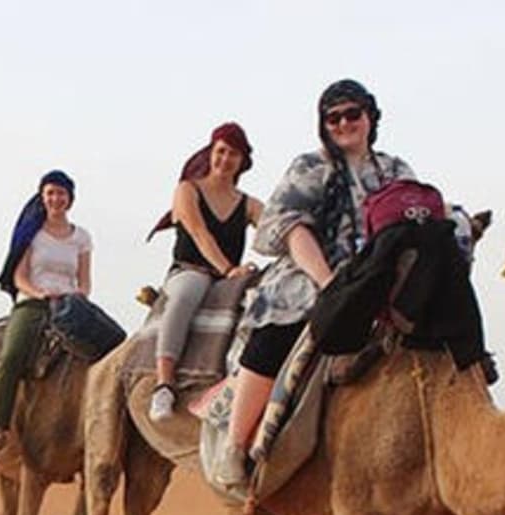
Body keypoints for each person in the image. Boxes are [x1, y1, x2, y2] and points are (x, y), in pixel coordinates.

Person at [225, 79, 414, 456]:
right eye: (333, 118)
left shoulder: (395, 171)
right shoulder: (311, 167)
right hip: (313, 273)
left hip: (378, 278)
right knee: (278, 331)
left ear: (370, 117)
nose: (343, 123)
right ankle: (234, 445)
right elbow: (289, 226)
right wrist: (331, 284)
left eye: (352, 114)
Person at [145, 122, 263, 423]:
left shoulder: (248, 204)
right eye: (221, 151)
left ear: (242, 161)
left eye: (233, 154)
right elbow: (199, 234)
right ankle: (165, 383)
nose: (225, 159)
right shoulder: (187, 190)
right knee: (187, 293)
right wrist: (227, 268)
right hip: (191, 270)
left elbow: (275, 226)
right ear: (211, 152)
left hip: (229, 279)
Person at [0, 170, 91, 455]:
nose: (56, 199)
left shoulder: (81, 237)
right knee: (12, 356)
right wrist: (39, 293)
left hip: (69, 306)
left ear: (70, 199)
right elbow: (19, 277)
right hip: (33, 302)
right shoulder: (33, 233)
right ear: (43, 197)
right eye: (50, 193)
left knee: (107, 350)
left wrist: (77, 297)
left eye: (61, 194)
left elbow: (85, 281)